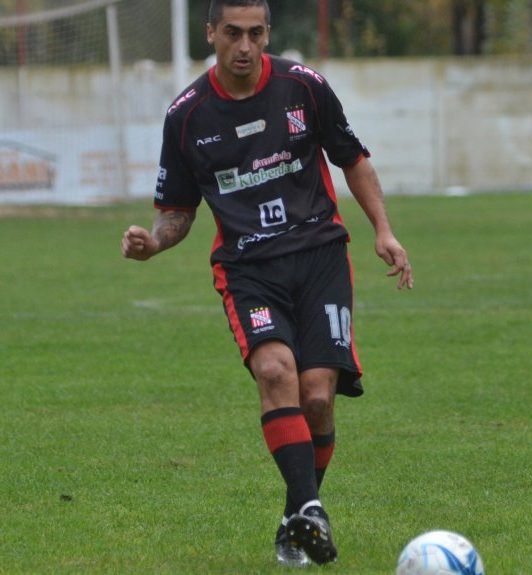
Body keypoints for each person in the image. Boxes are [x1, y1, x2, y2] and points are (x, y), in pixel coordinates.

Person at [120, 0, 413, 566]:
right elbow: (176, 211)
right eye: (233, 33)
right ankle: (310, 509)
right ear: (211, 33)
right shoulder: (187, 115)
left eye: (256, 33)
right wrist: (154, 241)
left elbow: (352, 158)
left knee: (319, 398)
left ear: (268, 33)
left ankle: (295, 516)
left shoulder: (304, 88)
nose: (245, 46)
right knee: (276, 371)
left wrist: (384, 230)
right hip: (248, 267)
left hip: (320, 255)